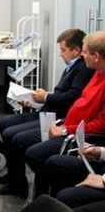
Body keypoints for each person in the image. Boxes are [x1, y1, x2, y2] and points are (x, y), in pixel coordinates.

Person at [0, 29, 93, 197]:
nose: (60, 54)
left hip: (57, 118)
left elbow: (70, 98)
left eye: (63, 50)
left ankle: (22, 185)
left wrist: (47, 97)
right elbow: (65, 94)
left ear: (76, 50)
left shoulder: (82, 69)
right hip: (50, 111)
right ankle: (14, 178)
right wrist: (40, 98)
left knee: (16, 137)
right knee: (6, 124)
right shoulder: (74, 67)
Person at [24, 31, 105, 197]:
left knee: (37, 155)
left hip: (85, 136)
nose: (82, 55)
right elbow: (81, 105)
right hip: (70, 126)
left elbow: (100, 125)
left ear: (96, 56)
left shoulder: (96, 74)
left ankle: (49, 197)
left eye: (85, 52)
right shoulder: (98, 72)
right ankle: (45, 197)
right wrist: (65, 123)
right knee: (40, 156)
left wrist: (66, 130)